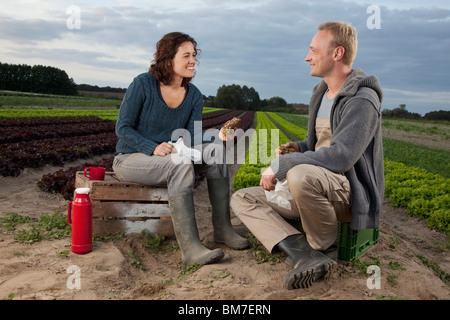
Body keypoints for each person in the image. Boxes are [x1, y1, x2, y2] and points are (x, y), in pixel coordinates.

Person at [230, 22, 384, 289]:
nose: (307, 57)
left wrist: (281, 164)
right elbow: (319, 143)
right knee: (243, 198)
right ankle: (305, 253)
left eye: (313, 50)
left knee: (298, 174)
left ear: (336, 54)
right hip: (316, 186)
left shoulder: (362, 99)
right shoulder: (321, 92)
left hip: (345, 191)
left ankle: (325, 248)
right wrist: (299, 147)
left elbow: (340, 157)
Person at [113, 32, 249, 267]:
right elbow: (122, 128)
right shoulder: (143, 84)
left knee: (216, 152)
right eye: (186, 55)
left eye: (194, 55)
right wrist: (152, 147)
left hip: (170, 157)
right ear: (168, 60)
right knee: (181, 164)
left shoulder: (194, 95)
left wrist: (216, 136)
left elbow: (192, 136)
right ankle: (190, 249)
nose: (193, 61)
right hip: (131, 158)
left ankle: (223, 230)